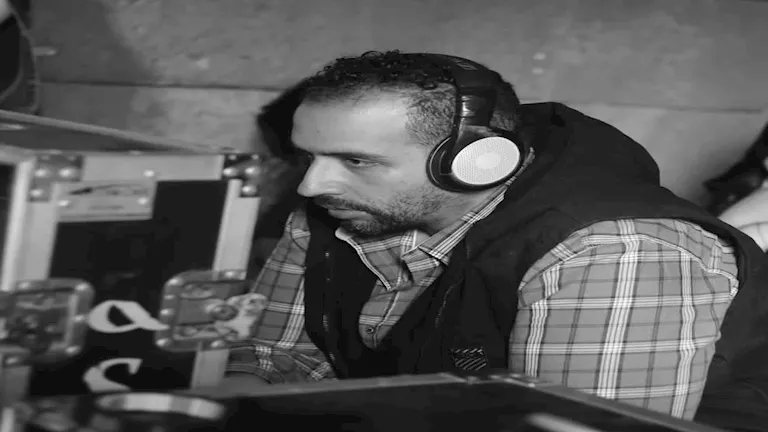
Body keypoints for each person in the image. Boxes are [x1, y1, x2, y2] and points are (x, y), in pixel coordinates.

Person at [221, 51, 768, 431]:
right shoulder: (341, 207)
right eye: (308, 157)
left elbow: (569, 431)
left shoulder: (615, 251)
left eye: (356, 161)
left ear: (477, 162)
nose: (310, 185)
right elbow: (274, 361)